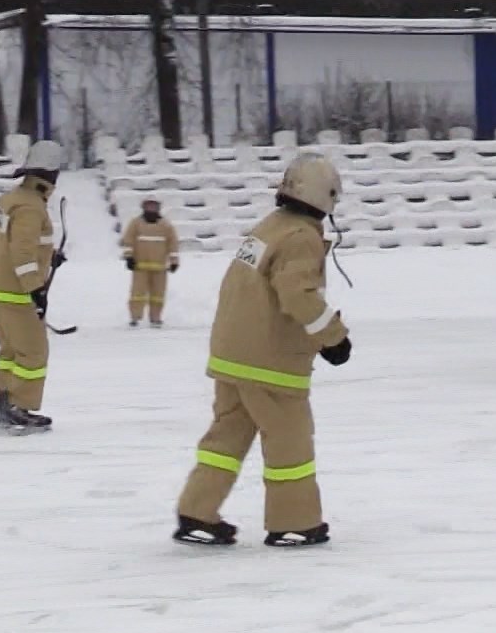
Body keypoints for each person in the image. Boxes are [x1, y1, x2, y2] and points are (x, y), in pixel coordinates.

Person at [174, 152, 352, 548]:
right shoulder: (302, 238)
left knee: (226, 439)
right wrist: (333, 336)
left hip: (232, 355)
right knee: (290, 440)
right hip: (270, 364)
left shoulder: (268, 228)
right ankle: (295, 522)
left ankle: (196, 511)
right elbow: (298, 295)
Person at [0, 141, 63, 434]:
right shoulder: (31, 207)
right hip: (16, 292)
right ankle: (20, 406)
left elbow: (1, 242)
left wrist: (50, 258)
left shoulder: (9, 199)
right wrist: (35, 289)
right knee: (33, 351)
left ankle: (5, 402)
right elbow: (22, 251)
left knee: (10, 350)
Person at [121, 197, 181, 327]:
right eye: (149, 206)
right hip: (140, 266)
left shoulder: (166, 225)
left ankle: (156, 317)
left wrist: (174, 261)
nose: (151, 208)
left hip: (159, 267)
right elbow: (128, 241)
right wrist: (128, 257)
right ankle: (135, 317)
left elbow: (173, 245)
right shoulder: (135, 223)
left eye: (154, 206)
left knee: (158, 295)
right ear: (143, 207)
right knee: (137, 294)